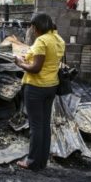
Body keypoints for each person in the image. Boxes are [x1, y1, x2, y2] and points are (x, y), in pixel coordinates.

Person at [14, 13, 65, 171]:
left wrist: (20, 63)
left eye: (32, 27)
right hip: (51, 86)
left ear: (36, 27)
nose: (32, 29)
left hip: (36, 87)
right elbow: (47, 61)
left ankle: (32, 161)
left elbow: (35, 68)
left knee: (36, 126)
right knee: (44, 125)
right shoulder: (58, 39)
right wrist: (28, 57)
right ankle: (42, 161)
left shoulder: (42, 40)